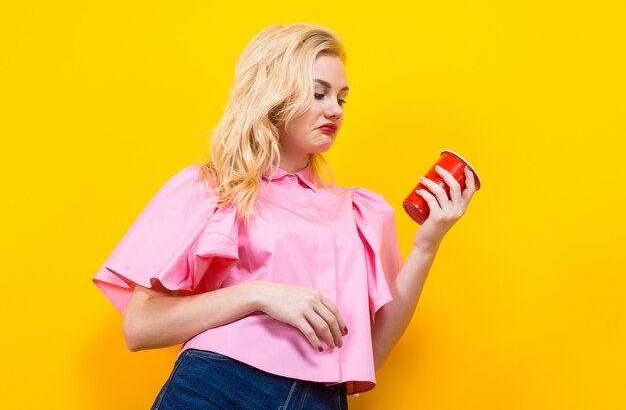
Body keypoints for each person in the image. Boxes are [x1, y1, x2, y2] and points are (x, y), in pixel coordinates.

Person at [92, 22, 476, 410]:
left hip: (321, 401)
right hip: (218, 387)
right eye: (318, 93)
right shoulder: (210, 188)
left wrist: (428, 243)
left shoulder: (360, 211)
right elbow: (139, 327)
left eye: (342, 98)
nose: (335, 110)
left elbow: (373, 353)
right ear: (274, 96)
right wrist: (260, 294)